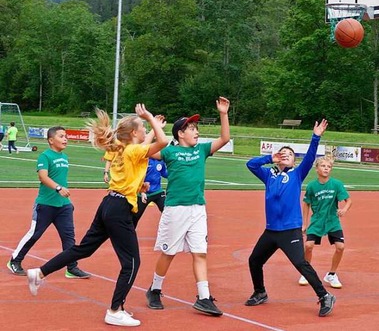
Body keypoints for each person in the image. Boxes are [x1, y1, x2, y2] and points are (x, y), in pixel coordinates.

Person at [26, 105, 168, 327]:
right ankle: (114, 310)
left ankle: (40, 272)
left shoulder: (122, 148)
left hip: (109, 204)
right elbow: (162, 143)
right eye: (141, 128)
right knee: (131, 263)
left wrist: (151, 127)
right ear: (134, 133)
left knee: (83, 249)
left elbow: (143, 144)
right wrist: (151, 119)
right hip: (119, 209)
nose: (144, 131)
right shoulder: (131, 150)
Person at [145, 97, 230, 318]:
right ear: (180, 134)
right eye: (191, 128)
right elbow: (144, 151)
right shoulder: (169, 152)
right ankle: (154, 290)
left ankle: (203, 297)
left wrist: (223, 113)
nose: (196, 131)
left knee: (200, 253)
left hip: (197, 209)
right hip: (175, 209)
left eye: (196, 128)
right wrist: (154, 127)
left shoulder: (201, 150)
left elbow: (225, 138)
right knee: (169, 252)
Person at [245, 119, 336, 317]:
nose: (285, 156)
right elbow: (250, 165)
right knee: (254, 260)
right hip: (271, 230)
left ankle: (325, 295)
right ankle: (260, 292)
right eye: (282, 154)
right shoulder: (269, 175)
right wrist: (270, 157)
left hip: (290, 229)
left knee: (300, 263)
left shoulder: (297, 174)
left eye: (289, 155)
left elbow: (311, 157)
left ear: (294, 160)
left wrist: (316, 137)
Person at [7, 127, 90, 279]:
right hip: (45, 204)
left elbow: (61, 178)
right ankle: (15, 260)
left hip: (63, 205)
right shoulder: (45, 156)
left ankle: (71, 267)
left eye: (66, 136)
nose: (65, 139)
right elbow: (43, 177)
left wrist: (67, 201)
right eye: (61, 136)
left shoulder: (65, 157)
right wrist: (58, 188)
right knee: (34, 234)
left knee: (69, 238)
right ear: (51, 140)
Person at [298, 156, 352, 289]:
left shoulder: (336, 184)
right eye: (323, 166)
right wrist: (304, 223)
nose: (326, 169)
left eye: (328, 167)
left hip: (332, 221)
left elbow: (348, 201)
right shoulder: (312, 186)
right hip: (317, 221)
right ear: (317, 169)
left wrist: (344, 209)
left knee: (340, 247)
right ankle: (306, 272)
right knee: (308, 246)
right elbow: (306, 204)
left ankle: (331, 274)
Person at [132, 157, 168, 227]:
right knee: (135, 217)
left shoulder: (161, 161)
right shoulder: (145, 160)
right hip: (143, 194)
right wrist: (142, 191)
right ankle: (129, 233)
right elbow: (138, 176)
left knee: (167, 212)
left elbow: (164, 173)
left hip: (158, 192)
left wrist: (175, 172)